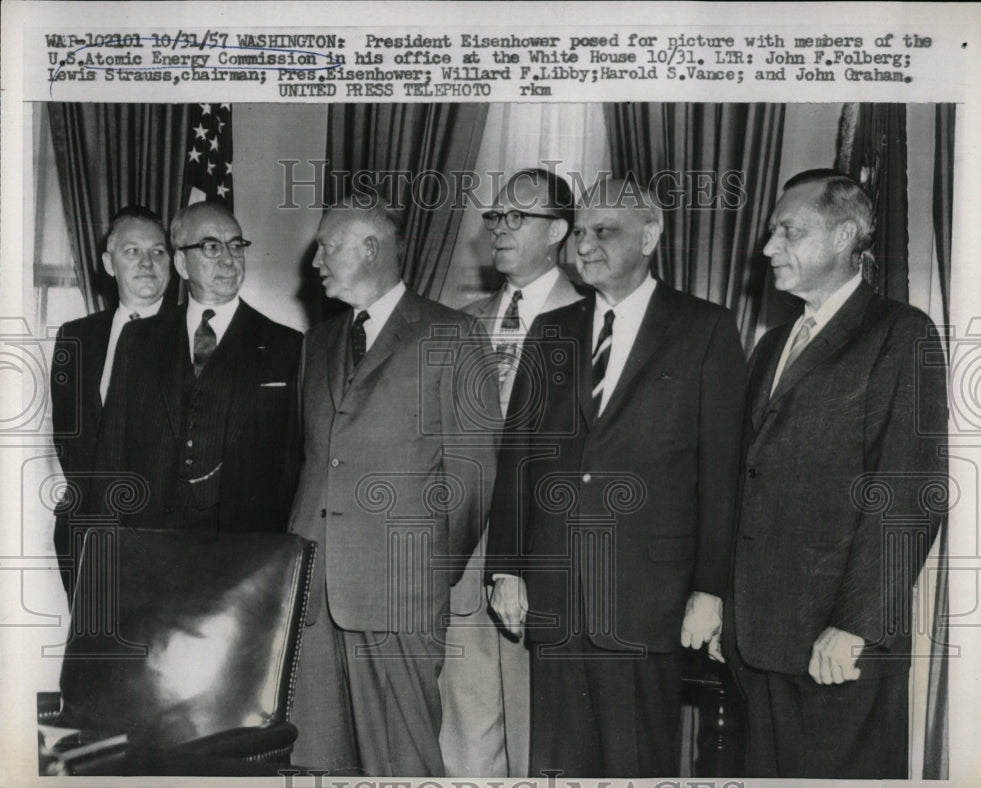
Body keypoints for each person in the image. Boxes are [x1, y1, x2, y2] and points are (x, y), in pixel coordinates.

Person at [487, 178, 747, 777]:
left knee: (635, 766)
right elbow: (519, 458)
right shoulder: (551, 333)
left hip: (647, 602)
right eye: (578, 231)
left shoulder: (704, 329)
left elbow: (722, 474)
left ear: (650, 236)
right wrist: (507, 567)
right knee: (557, 768)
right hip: (555, 597)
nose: (585, 245)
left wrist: (710, 590)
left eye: (603, 231)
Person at [727, 169, 949, 778]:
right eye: (772, 232)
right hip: (762, 641)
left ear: (844, 234)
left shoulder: (900, 334)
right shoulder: (773, 343)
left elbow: (909, 493)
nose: (769, 247)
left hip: (837, 645)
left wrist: (855, 625)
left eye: (788, 232)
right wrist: (730, 607)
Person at [289, 197, 500, 777]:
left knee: (401, 763)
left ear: (371, 249)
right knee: (316, 763)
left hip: (399, 596)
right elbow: (311, 466)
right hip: (314, 591)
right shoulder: (317, 343)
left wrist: (425, 573)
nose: (315, 261)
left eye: (328, 245)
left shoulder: (452, 335)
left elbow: (472, 476)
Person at [439, 169, 583, 777]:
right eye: (495, 217)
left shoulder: (593, 319)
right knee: (465, 726)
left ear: (557, 231)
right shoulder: (461, 322)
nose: (498, 228)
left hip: (545, 560)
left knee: (538, 733)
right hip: (466, 559)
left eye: (516, 217)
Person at [92, 201, 301, 534]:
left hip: (241, 551)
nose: (229, 260)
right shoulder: (137, 340)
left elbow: (291, 468)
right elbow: (111, 455)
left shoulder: (286, 346)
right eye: (211, 247)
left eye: (236, 246)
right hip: (151, 545)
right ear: (181, 263)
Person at [51, 205, 172, 596]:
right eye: (132, 252)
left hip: (166, 538)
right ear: (108, 262)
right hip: (87, 532)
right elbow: (68, 436)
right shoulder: (76, 336)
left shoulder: (193, 336)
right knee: (96, 653)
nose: (147, 263)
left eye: (158, 251)